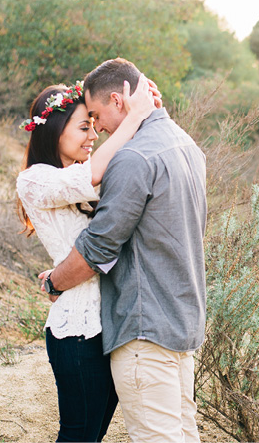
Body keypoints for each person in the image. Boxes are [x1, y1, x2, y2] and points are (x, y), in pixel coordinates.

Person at [39, 58, 207, 443]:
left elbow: (98, 247)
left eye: (96, 116)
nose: (97, 129)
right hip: (183, 323)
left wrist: (55, 284)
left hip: (145, 328)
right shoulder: (185, 145)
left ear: (119, 101)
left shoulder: (132, 159)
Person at [16, 75, 159, 442]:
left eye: (95, 126)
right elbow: (94, 173)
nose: (93, 135)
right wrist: (133, 116)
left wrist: (145, 108)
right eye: (84, 126)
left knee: (92, 435)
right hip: (77, 331)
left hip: (108, 325)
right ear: (54, 131)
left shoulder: (76, 177)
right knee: (78, 434)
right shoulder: (34, 179)